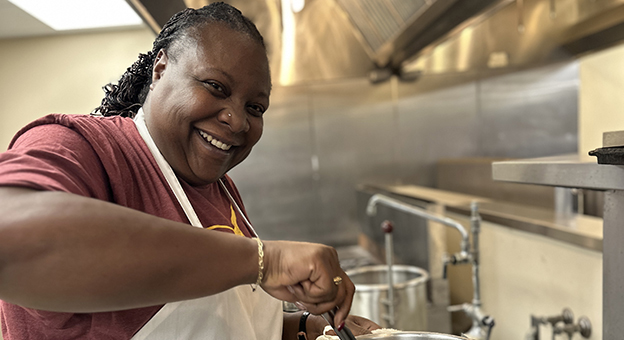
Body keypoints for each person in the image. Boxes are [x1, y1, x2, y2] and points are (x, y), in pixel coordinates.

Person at [0, 2, 379, 340]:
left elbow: (226, 323)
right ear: (161, 69)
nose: (237, 120)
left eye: (255, 107)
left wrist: (302, 328)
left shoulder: (221, 189)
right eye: (215, 87)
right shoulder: (84, 147)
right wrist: (266, 261)